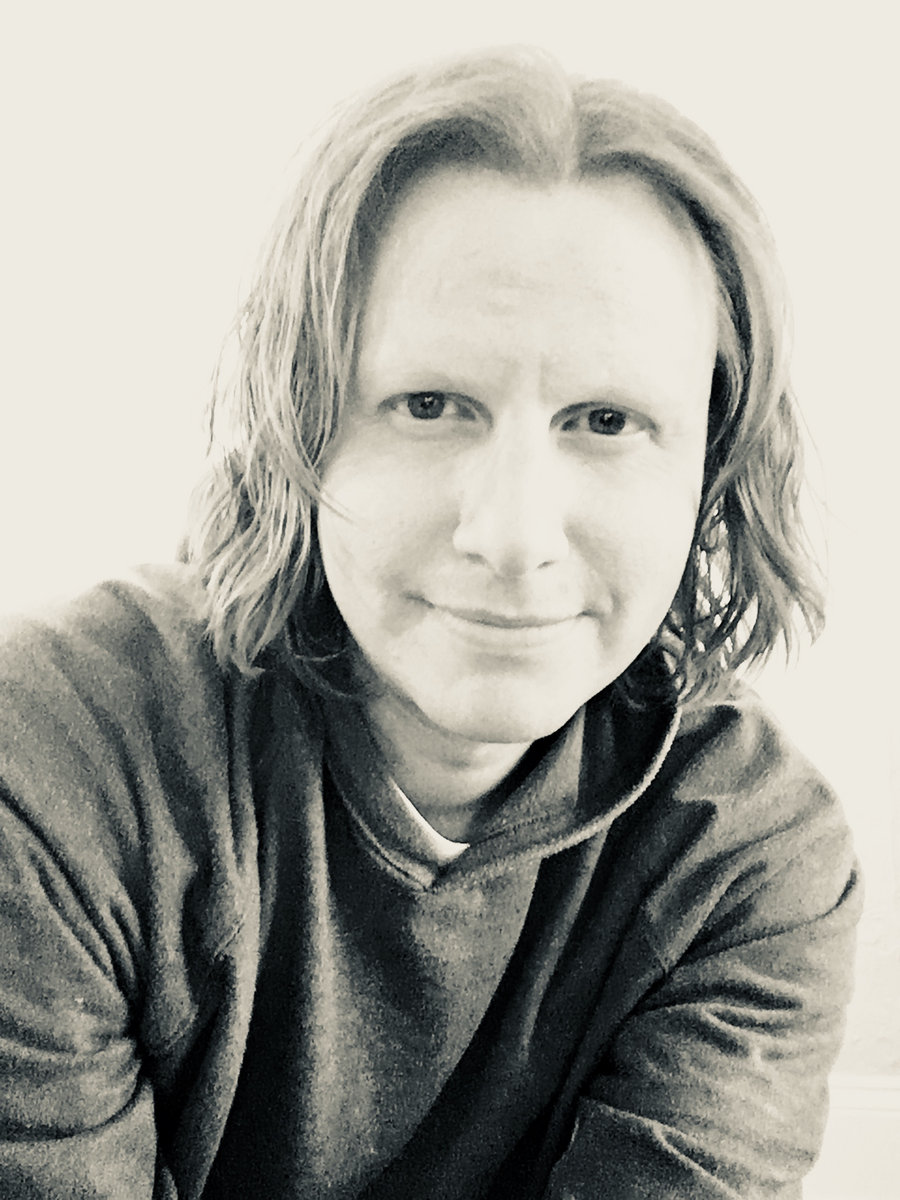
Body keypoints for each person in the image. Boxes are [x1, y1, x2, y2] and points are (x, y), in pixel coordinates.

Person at [0, 46, 860, 1200]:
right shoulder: (58, 767)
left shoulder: (748, 861)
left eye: (606, 420)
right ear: (300, 425)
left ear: (712, 470)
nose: (512, 534)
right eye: (430, 404)